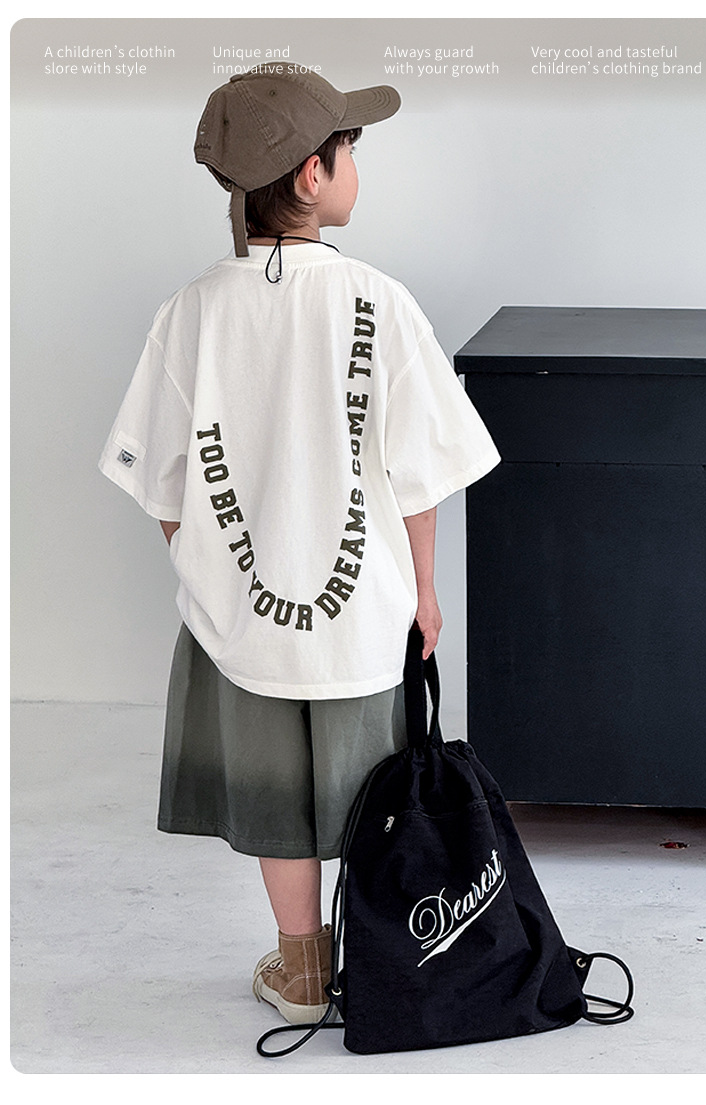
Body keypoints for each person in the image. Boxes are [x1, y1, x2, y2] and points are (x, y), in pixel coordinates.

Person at [98, 62, 501, 1027]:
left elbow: (161, 481)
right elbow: (418, 477)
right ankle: (388, 963)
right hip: (362, 617)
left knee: (276, 797)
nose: (357, 163)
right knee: (373, 790)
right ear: (313, 175)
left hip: (243, 622)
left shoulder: (193, 311)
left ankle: (302, 968)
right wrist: (424, 591)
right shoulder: (380, 301)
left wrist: (206, 569)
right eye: (349, 146)